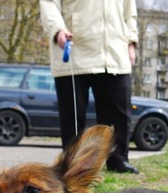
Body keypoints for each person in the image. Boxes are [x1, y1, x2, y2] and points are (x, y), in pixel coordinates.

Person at [40, 0, 140, 174]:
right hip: (75, 49)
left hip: (115, 53)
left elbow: (129, 13)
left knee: (119, 113)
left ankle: (118, 160)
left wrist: (131, 42)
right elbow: (49, 4)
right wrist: (57, 29)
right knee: (73, 115)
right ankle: (73, 164)